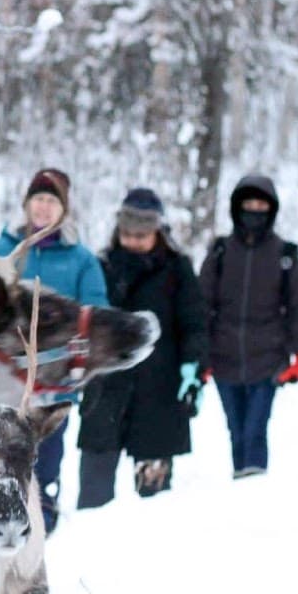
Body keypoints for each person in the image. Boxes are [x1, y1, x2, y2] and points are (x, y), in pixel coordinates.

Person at [0, 167, 108, 534]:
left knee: (43, 464)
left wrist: (82, 369)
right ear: (26, 205)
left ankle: (42, 533)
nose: (43, 207)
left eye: (51, 201)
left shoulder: (81, 260)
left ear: (63, 210)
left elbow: (93, 314)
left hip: (50, 384)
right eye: (38, 199)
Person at [75, 189, 209, 507]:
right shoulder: (101, 267)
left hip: (159, 394)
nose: (133, 241)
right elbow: (84, 320)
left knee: (154, 504)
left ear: (158, 232)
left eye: (141, 235)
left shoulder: (178, 271)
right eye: (127, 234)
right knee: (95, 497)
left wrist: (194, 371)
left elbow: (195, 325)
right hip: (106, 389)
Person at [199, 174, 298, 478]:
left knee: (255, 430)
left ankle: (254, 488)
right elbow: (202, 305)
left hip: (268, 359)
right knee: (236, 430)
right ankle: (242, 488)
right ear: (237, 208)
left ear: (271, 210)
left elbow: (297, 307)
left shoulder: (285, 255)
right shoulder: (220, 252)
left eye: (261, 204)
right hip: (224, 358)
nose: (254, 210)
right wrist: (200, 355)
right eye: (248, 204)